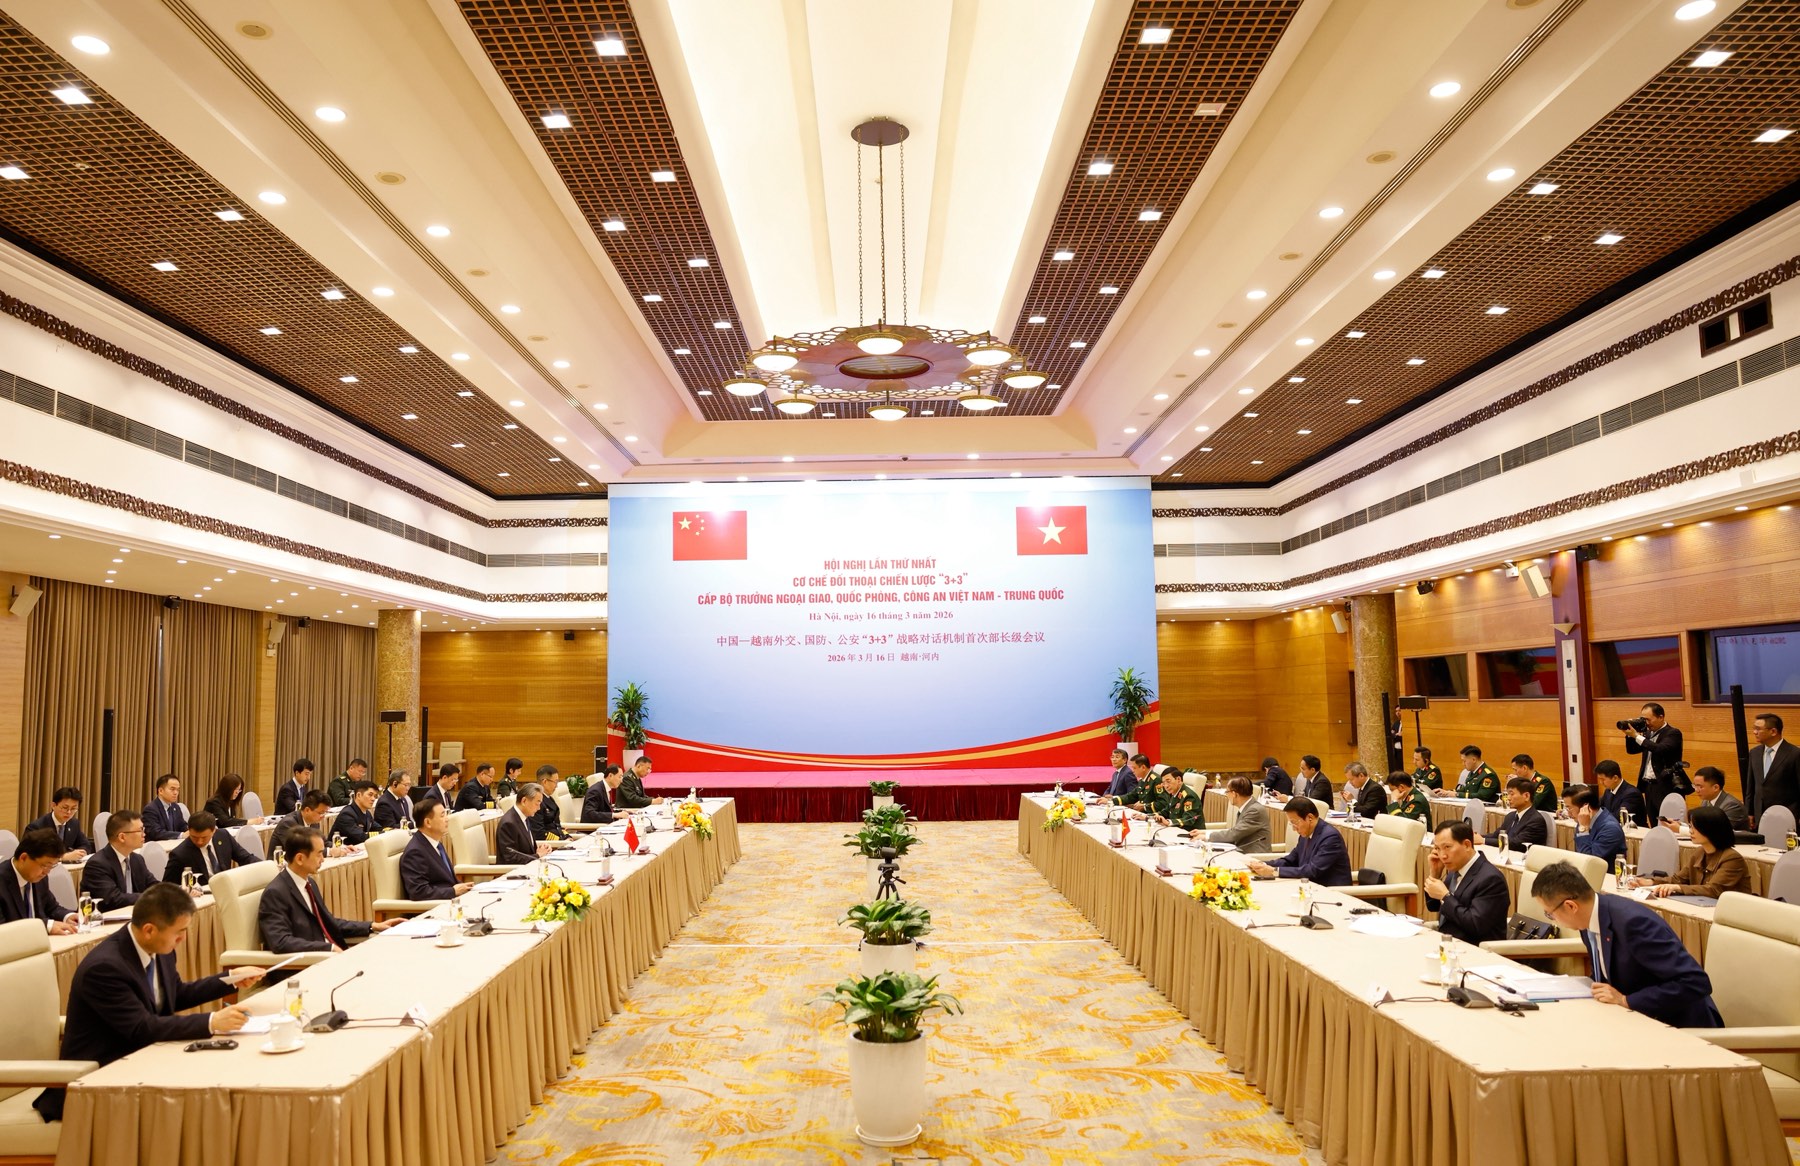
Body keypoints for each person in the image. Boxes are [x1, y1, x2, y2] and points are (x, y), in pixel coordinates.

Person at [32, 883, 264, 1122]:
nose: (183, 939)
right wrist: (213, 1021)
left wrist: (230, 979)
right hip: (96, 1080)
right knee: (206, 1099)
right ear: (149, 930)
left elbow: (176, 994)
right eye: (179, 931)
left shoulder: (159, 947)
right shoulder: (104, 968)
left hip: (143, 1061)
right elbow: (142, 1028)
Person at [1532, 860, 1721, 1028]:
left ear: (1571, 906)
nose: (1552, 919)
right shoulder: (1586, 919)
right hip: (1629, 1020)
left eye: (1550, 913)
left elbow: (1694, 982)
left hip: (1678, 1024)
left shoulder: (1633, 923)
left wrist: (1626, 1000)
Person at [259, 826, 397, 953]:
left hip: (328, 954)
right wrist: (328, 949)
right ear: (300, 858)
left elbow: (329, 923)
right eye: (319, 854)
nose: (323, 859)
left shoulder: (310, 883)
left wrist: (372, 926)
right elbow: (281, 942)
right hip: (305, 964)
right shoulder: (275, 893)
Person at [1627, 805, 1752, 899]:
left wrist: (1677, 888)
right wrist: (1649, 882)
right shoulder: (1699, 852)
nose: (1690, 831)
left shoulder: (1732, 859)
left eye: (1694, 827)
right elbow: (1678, 879)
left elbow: (1713, 890)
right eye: (1690, 826)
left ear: (1710, 829)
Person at [1422, 820, 1509, 945]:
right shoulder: (1455, 869)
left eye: (1447, 847)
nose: (1442, 856)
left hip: (1476, 949)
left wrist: (1445, 896)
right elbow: (1433, 906)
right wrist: (1435, 875)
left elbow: (1475, 925)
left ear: (1467, 845)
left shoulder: (1491, 879)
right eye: (1437, 849)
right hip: (1449, 944)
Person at [1248, 798, 1351, 885]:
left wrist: (1274, 871)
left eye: (1295, 823)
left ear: (1310, 818)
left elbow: (1312, 871)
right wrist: (1263, 864)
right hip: (1309, 887)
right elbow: (1290, 860)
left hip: (1331, 892)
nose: (1294, 829)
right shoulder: (1305, 834)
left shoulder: (1330, 837)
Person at [0, 829, 78, 933]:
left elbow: (51, 908)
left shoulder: (40, 877)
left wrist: (67, 916)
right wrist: (46, 926)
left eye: (52, 866)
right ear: (23, 858)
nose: (47, 872)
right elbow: (4, 929)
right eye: (45, 865)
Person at [80, 809, 156, 911]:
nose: (144, 834)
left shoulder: (137, 859)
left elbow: (153, 885)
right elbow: (113, 899)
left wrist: (167, 892)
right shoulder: (97, 864)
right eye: (140, 830)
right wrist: (150, 897)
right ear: (122, 837)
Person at [163, 811, 262, 887]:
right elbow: (167, 886)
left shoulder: (223, 836)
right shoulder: (180, 854)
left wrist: (265, 867)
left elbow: (246, 858)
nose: (199, 842)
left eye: (204, 837)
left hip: (226, 888)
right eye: (194, 837)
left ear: (214, 830)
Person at [400, 801, 473, 900]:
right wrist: (453, 891)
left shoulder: (436, 843)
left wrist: (464, 888)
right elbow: (418, 892)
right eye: (442, 816)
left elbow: (448, 880)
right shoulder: (415, 852)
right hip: (437, 906)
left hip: (452, 900)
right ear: (428, 822)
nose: (447, 819)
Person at [1624, 702, 1684, 823]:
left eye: (1648, 719)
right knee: (1653, 821)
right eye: (1643, 719)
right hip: (1648, 786)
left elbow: (1659, 749)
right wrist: (1630, 735)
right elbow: (1632, 750)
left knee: (1669, 823)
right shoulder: (1647, 734)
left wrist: (1637, 736)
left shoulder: (1673, 733)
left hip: (1666, 786)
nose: (1645, 723)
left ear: (1661, 717)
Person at [1750, 712, 1800, 824]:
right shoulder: (1754, 753)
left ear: (1773, 731)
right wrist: (1750, 812)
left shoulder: (1795, 754)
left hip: (1787, 816)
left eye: (1758, 729)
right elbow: (1751, 786)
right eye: (1754, 728)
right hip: (1760, 816)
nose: (1754, 732)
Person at [1197, 776, 1269, 852]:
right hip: (1241, 851)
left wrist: (1205, 836)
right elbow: (1235, 831)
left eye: (1227, 792)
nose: (1226, 795)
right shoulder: (1248, 807)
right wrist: (1204, 832)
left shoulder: (1254, 810)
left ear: (1234, 794)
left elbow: (1234, 834)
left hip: (1253, 855)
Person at [1479, 777, 1547, 852]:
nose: (1508, 798)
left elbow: (1516, 844)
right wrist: (1475, 837)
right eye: (1508, 794)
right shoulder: (1510, 816)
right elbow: (1496, 835)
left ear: (1526, 796)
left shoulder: (1536, 820)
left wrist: (1483, 840)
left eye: (1512, 794)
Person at [1569, 786, 1626, 873]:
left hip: (1605, 877)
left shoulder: (1611, 828)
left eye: (1569, 808)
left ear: (1586, 807)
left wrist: (1583, 829)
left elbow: (1589, 861)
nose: (1568, 813)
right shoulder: (1584, 820)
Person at [26, 786, 91, 859]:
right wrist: (61, 857)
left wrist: (81, 852)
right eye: (65, 808)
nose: (69, 812)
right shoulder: (37, 827)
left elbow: (85, 845)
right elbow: (30, 853)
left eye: (73, 808)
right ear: (53, 805)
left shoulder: (74, 824)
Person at [496, 784, 555, 863]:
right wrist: (538, 855)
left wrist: (541, 849)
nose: (539, 808)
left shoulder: (525, 817)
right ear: (524, 801)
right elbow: (510, 857)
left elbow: (526, 849)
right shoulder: (508, 824)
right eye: (537, 803)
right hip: (514, 870)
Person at [271, 789, 339, 856]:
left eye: (325, 812)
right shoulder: (288, 823)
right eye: (321, 813)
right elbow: (299, 849)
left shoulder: (314, 822)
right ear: (307, 810)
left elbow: (323, 842)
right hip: (280, 862)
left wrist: (339, 847)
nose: (323, 816)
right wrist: (329, 851)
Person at [1139, 768, 1204, 832]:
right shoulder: (1174, 793)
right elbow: (1165, 812)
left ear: (1178, 779)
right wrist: (1147, 817)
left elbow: (1188, 819)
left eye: (1168, 781)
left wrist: (1168, 822)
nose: (1166, 786)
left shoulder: (1189, 796)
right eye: (1163, 783)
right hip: (1176, 831)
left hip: (1190, 834)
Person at [1594, 759, 1648, 828]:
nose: (1601, 782)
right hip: (1613, 828)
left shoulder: (1632, 794)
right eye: (1599, 779)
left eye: (1603, 779)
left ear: (1615, 778)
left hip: (1634, 831)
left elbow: (1619, 817)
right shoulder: (1608, 791)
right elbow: (1598, 808)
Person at [1693, 766, 1749, 831]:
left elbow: (1718, 831)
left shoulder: (1732, 805)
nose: (1696, 790)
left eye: (1700, 787)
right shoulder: (1705, 801)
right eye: (1695, 786)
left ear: (1716, 787)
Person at [141, 773, 188, 841]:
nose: (176, 793)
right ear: (160, 791)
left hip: (173, 844)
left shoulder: (175, 807)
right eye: (172, 789)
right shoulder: (150, 809)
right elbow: (156, 833)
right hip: (157, 845)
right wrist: (182, 835)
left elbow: (182, 825)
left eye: (178, 790)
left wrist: (191, 831)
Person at [333, 780, 381, 845]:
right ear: (358, 795)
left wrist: (388, 831)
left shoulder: (367, 813)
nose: (373, 799)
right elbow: (361, 837)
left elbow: (378, 828)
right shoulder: (347, 814)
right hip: (341, 849)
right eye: (370, 795)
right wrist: (382, 833)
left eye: (375, 796)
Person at [528, 765, 566, 840]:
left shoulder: (550, 799)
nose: (556, 786)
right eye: (555, 782)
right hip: (548, 844)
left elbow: (557, 825)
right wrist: (560, 840)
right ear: (545, 782)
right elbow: (539, 834)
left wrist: (566, 836)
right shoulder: (536, 802)